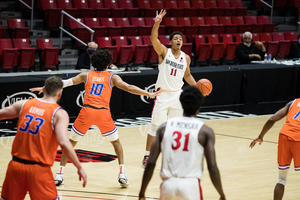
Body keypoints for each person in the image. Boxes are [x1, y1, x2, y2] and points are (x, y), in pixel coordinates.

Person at [30, 49, 161, 188]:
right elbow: (129, 87)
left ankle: (59, 175)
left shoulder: (85, 75)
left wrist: (45, 88)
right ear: (108, 63)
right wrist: (149, 93)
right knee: (116, 143)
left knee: (70, 144)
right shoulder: (112, 77)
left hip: (86, 111)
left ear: (93, 62)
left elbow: (65, 83)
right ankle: (122, 173)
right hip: (103, 113)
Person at [0, 76, 87, 200]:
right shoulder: (59, 113)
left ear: (44, 89)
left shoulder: (24, 104)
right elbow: (64, 142)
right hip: (39, 170)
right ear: (59, 94)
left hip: (15, 166)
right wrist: (79, 167)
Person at [139, 86, 226, 200]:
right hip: (190, 186)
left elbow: (151, 162)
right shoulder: (205, 131)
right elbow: (212, 168)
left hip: (168, 186)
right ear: (199, 105)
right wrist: (221, 194)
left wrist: (142, 193)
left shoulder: (164, 128)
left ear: (181, 102)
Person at [142, 9, 197, 168]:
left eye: (180, 38)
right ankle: (147, 157)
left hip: (177, 96)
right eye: (176, 38)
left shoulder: (186, 57)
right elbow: (154, 39)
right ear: (171, 41)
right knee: (155, 127)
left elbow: (187, 76)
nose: (178, 40)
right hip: (162, 94)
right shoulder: (164, 52)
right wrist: (156, 23)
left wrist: (197, 88)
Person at [250, 99, 300, 200]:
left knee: (281, 179)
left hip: (284, 136)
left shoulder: (293, 102)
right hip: (298, 139)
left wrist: (261, 136)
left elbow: (272, 119)